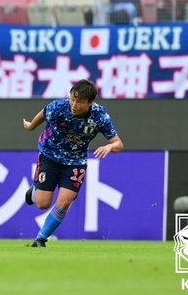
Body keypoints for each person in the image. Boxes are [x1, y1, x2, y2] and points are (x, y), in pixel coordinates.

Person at [22, 79, 123, 248]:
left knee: (64, 202)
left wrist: (109, 146)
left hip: (75, 162)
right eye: (73, 99)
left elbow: (119, 144)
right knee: (42, 203)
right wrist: (31, 126)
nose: (74, 105)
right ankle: (34, 191)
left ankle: (40, 238)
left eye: (80, 102)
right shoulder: (58, 107)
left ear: (90, 103)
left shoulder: (100, 116)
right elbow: (43, 113)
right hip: (49, 156)